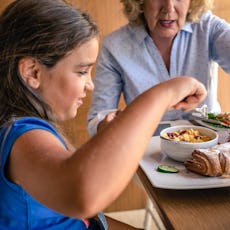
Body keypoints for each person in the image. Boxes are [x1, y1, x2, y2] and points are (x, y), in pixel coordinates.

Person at [0, 0, 207, 229]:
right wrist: (164, 94)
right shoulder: (22, 135)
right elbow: (82, 194)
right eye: (81, 71)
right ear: (33, 72)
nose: (90, 85)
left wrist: (110, 136)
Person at [87, 0, 230, 136]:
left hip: (210, 147)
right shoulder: (115, 46)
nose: (169, 8)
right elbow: (97, 120)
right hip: (147, 152)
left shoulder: (209, 28)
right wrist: (110, 125)